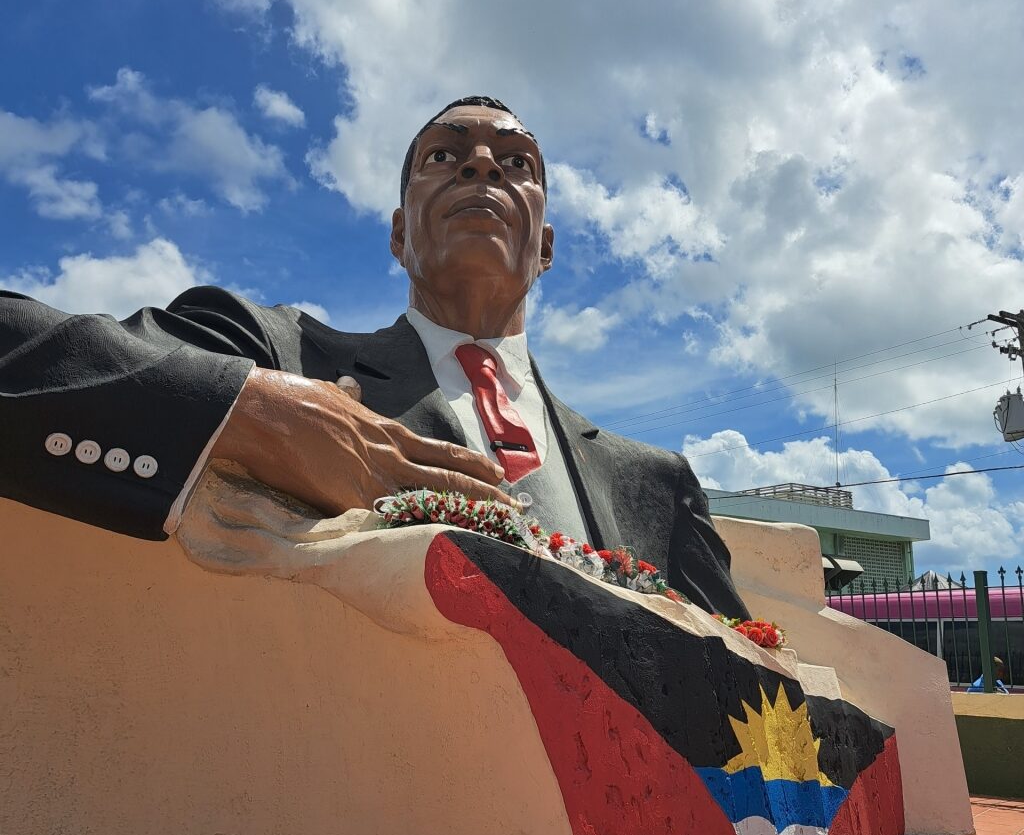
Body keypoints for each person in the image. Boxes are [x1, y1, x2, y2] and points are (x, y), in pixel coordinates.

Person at [0, 96, 750, 619]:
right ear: (399, 235)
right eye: (444, 156)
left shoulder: (656, 483)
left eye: (516, 162)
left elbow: (753, 696)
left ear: (545, 246)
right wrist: (243, 410)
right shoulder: (279, 353)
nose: (481, 165)